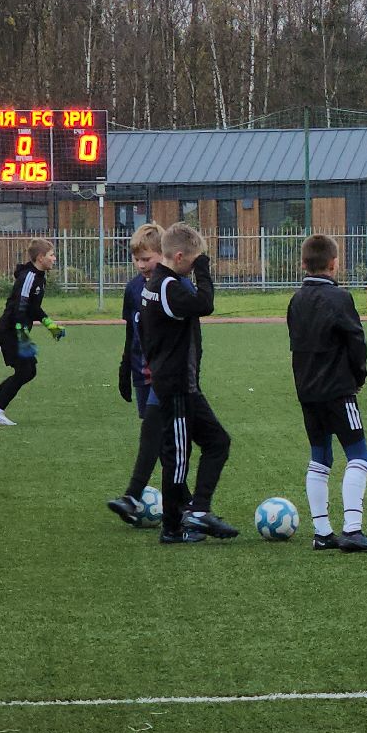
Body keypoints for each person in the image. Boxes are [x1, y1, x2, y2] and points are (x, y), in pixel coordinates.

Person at [288, 234, 367, 552]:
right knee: (360, 455)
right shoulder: (340, 298)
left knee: (320, 458)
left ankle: (322, 533)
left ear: (302, 264)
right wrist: (358, 377)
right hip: (338, 391)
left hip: (307, 391)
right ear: (335, 264)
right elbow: (356, 343)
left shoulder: (296, 300)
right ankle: (353, 530)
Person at [138, 223, 238, 544]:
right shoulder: (168, 286)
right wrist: (205, 271)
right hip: (177, 387)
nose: (196, 266)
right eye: (194, 261)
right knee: (177, 457)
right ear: (179, 257)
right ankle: (172, 528)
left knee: (217, 442)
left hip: (185, 385)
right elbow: (205, 304)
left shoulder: (162, 283)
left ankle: (197, 510)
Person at [108, 224, 168, 529]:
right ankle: (181, 503)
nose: (142, 265)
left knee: (161, 438)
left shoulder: (170, 286)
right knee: (155, 437)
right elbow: (131, 331)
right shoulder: (132, 288)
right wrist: (123, 365)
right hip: (141, 373)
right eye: (138, 259)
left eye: (148, 258)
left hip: (165, 375)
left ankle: (178, 503)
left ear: (163, 255)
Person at [0, 238, 64, 426]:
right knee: (25, 370)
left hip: (16, 329)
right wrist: (21, 332)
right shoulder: (29, 277)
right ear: (41, 257)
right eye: (51, 255)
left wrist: (50, 324)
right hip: (11, 329)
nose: (54, 258)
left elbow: (34, 308)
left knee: (29, 370)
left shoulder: (40, 277)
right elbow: (20, 306)